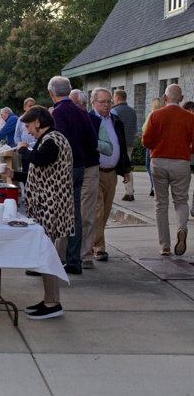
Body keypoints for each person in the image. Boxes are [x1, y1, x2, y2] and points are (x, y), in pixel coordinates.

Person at [2, 106, 73, 320]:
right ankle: (49, 299)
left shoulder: (52, 140)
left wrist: (23, 149)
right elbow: (39, 172)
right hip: (46, 205)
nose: (28, 131)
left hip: (51, 207)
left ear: (38, 122)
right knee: (45, 253)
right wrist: (13, 174)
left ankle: (53, 303)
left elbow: (40, 160)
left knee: (47, 254)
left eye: (28, 126)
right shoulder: (49, 140)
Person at [49, 77, 99, 275]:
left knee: (57, 214)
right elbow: (92, 142)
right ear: (69, 90)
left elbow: (58, 142)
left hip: (64, 167)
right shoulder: (81, 112)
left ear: (52, 92)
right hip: (80, 166)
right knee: (76, 215)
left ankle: (55, 258)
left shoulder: (58, 112)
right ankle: (74, 260)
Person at [142, 84, 194, 256]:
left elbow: (146, 141)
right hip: (181, 161)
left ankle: (164, 245)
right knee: (181, 201)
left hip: (159, 161)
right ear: (181, 98)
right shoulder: (189, 117)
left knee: (161, 204)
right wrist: (188, 150)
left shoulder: (155, 115)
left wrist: (156, 146)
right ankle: (182, 227)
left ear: (164, 98)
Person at [89, 88, 132, 264]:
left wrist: (126, 169)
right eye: (102, 102)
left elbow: (121, 143)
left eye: (108, 101)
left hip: (112, 172)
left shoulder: (115, 120)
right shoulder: (89, 120)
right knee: (97, 211)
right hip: (94, 171)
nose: (107, 105)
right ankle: (99, 248)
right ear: (94, 103)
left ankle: (94, 242)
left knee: (105, 211)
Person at [69, 89, 110, 271]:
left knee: (86, 214)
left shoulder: (95, 121)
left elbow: (108, 148)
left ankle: (85, 255)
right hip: (67, 170)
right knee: (67, 213)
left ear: (84, 105)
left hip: (88, 169)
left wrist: (93, 143)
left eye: (73, 104)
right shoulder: (62, 119)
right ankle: (67, 254)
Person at [111, 89, 139, 201]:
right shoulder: (133, 111)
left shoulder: (114, 111)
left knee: (113, 167)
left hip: (118, 143)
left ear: (117, 98)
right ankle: (129, 191)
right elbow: (136, 129)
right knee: (127, 166)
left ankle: (116, 191)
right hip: (129, 142)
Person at [144, 97, 165, 197]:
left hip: (152, 145)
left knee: (149, 166)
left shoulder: (152, 116)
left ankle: (154, 185)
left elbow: (145, 128)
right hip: (162, 145)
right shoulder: (165, 116)